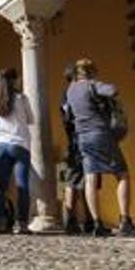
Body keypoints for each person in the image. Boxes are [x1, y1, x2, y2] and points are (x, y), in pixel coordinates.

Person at [67, 58, 135, 237]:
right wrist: (97, 85)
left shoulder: (71, 90)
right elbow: (113, 90)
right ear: (90, 71)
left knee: (90, 178)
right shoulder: (91, 84)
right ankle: (125, 220)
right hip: (100, 134)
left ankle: (96, 223)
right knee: (122, 174)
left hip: (82, 137)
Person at [0, 68, 32, 234]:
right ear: (14, 80)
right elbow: (31, 119)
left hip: (1, 144)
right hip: (20, 144)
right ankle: (22, 223)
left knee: (1, 186)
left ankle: (1, 221)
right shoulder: (21, 98)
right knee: (22, 185)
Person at [59, 63, 90, 235]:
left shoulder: (66, 95)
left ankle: (74, 219)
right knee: (83, 179)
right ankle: (80, 219)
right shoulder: (74, 93)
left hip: (73, 140)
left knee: (77, 180)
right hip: (80, 139)